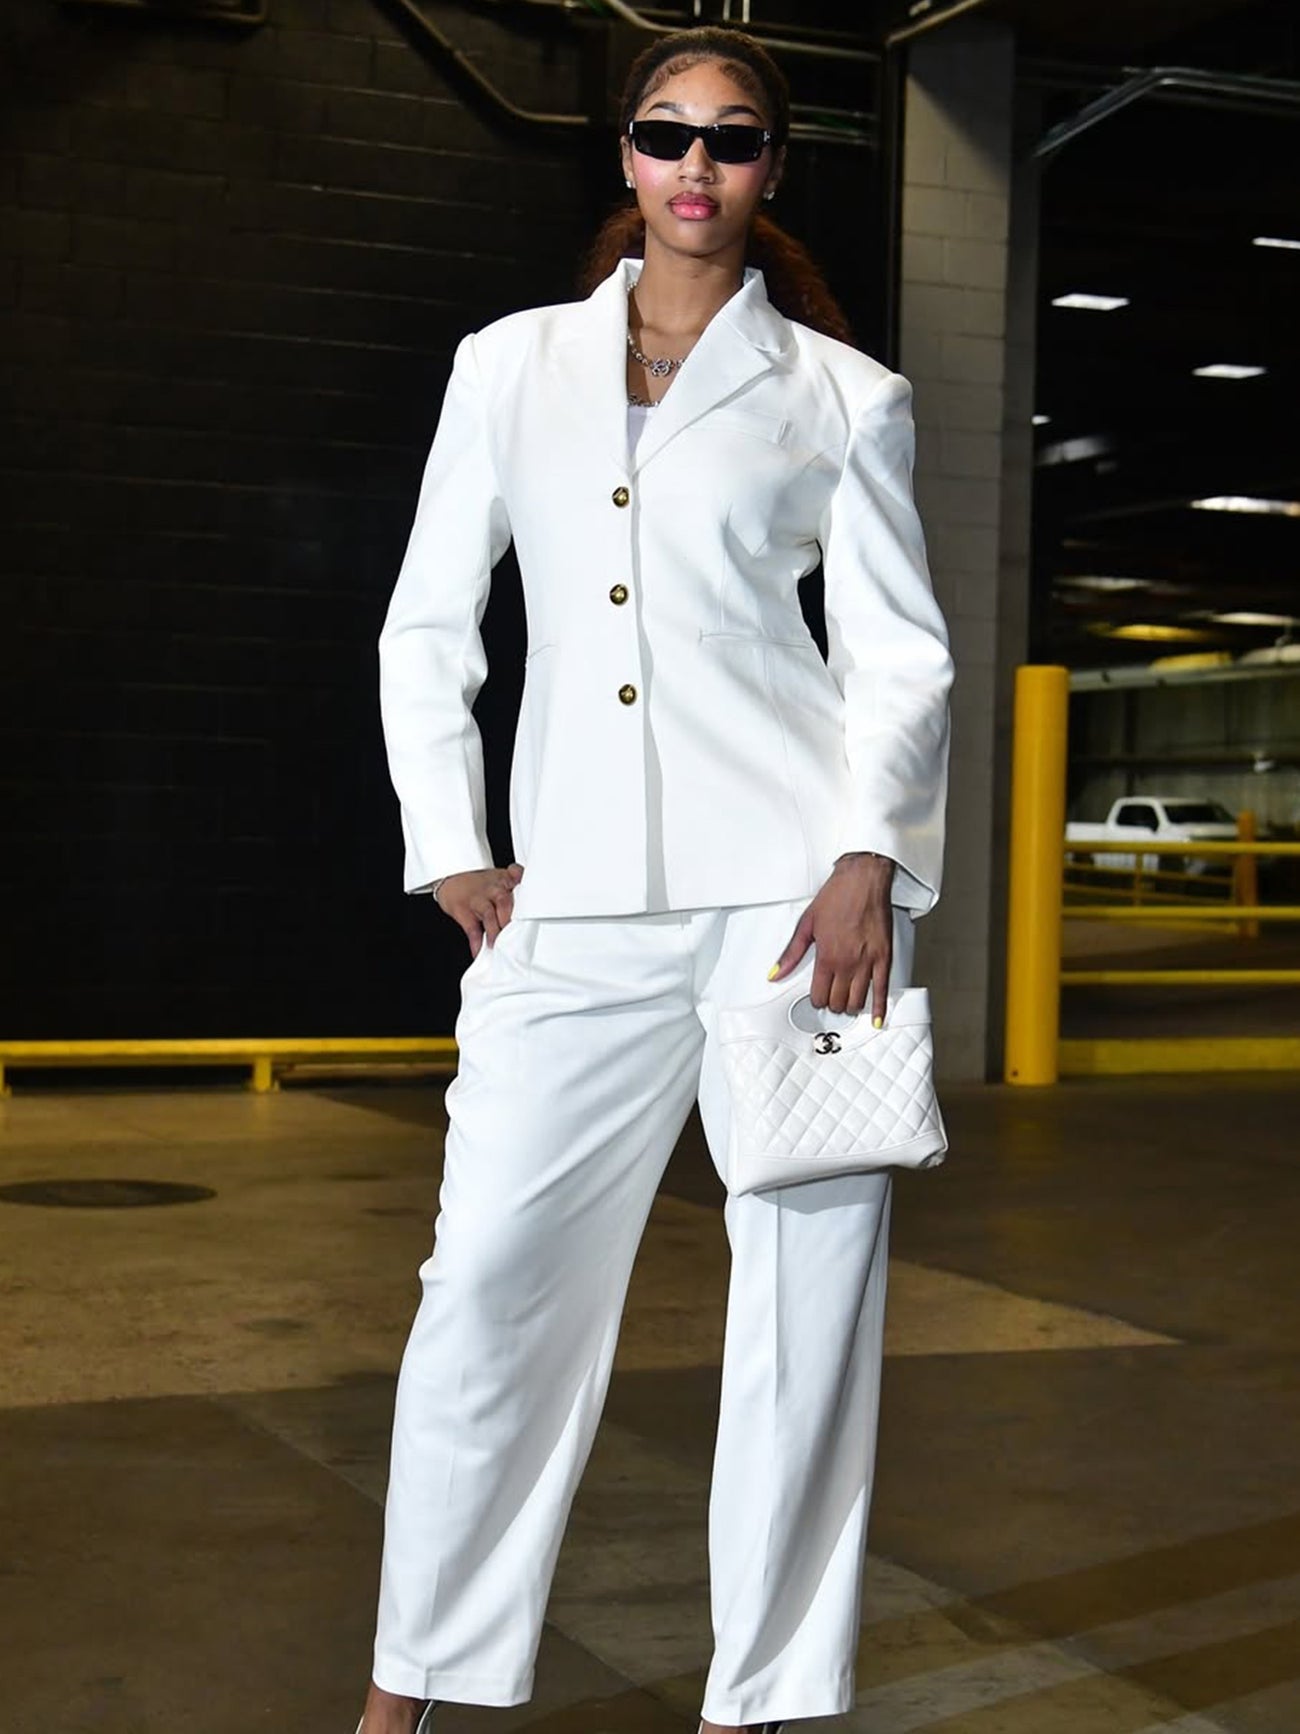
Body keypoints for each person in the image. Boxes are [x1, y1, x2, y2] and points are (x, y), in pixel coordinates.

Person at [359, 24, 953, 1734]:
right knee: (487, 1285)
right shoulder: (510, 366)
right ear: (623, 154)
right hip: (571, 904)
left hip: (796, 909)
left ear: (773, 167)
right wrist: (454, 845)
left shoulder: (845, 397)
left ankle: (760, 1702)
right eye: (667, 132)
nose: (699, 164)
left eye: (734, 137)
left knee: (806, 1316)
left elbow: (897, 654)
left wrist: (869, 856)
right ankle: (408, 1685)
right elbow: (426, 621)